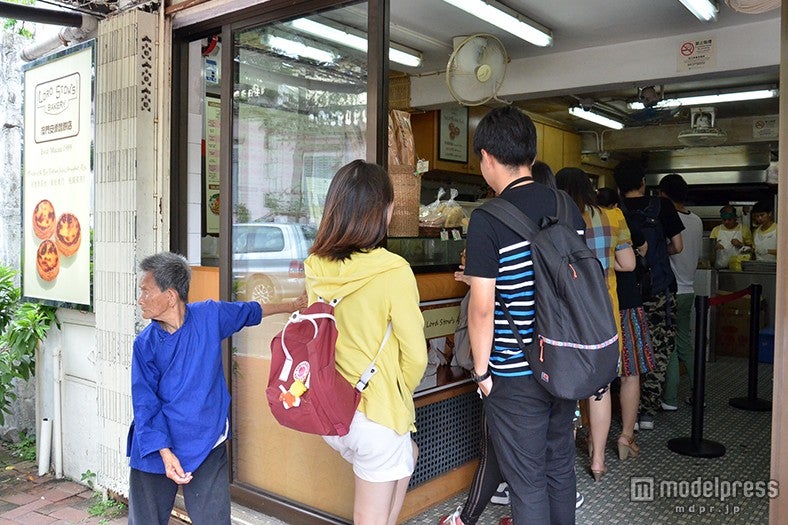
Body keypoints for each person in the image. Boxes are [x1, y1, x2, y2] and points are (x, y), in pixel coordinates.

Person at [464, 106, 585, 524]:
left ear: (486, 157)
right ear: (531, 155)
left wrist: (482, 373)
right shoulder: (567, 206)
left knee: (527, 481)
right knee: (558, 468)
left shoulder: (486, 219)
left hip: (515, 373)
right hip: (566, 361)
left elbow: (482, 310)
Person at [127, 252, 306, 525]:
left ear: (171, 296)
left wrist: (294, 304)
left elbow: (250, 311)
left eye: (146, 291)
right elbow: (145, 405)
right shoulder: (146, 344)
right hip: (157, 444)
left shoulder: (209, 316)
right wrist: (164, 452)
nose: (140, 299)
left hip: (206, 441)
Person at [304, 160, 427, 525]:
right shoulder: (393, 271)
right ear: (384, 212)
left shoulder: (316, 265)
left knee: (409, 452)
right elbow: (416, 355)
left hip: (331, 410)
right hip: (375, 413)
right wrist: (398, 388)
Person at [556, 168, 635, 482]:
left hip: (564, 317)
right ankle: (599, 460)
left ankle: (562, 461)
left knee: (565, 392)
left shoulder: (554, 218)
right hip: (603, 315)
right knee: (599, 390)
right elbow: (628, 263)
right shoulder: (611, 218)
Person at [613, 159, 684, 431]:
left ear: (618, 185)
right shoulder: (662, 206)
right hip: (660, 290)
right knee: (659, 351)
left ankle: (623, 410)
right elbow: (677, 246)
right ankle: (646, 413)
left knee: (627, 353)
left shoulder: (614, 211)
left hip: (627, 292)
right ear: (643, 182)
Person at [596, 188, 654, 458]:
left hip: (598, 305)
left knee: (600, 377)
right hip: (628, 302)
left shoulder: (586, 219)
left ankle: (596, 446)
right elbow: (639, 254)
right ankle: (626, 436)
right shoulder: (622, 218)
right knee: (630, 373)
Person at [658, 174, 703, 411]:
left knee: (670, 346)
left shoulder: (667, 217)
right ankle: (699, 393)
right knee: (685, 343)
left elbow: (673, 248)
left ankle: (670, 399)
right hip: (690, 290)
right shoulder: (696, 220)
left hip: (673, 291)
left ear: (663, 194)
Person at [710, 205, 752, 270]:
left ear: (735, 218)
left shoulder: (744, 229)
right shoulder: (716, 230)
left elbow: (752, 250)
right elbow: (710, 251)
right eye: (724, 220)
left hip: (739, 268)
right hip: (720, 268)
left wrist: (741, 245)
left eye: (729, 219)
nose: (726, 222)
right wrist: (715, 248)